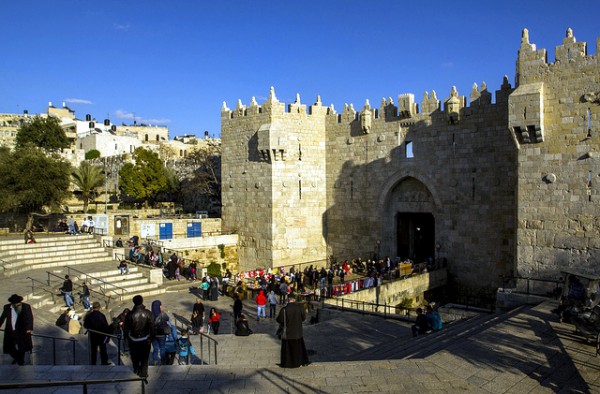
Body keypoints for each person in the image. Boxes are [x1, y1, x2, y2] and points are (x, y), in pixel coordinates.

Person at [124, 295, 154, 378]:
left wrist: (126, 338)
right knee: (145, 357)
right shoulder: (147, 312)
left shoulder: (130, 314)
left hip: (133, 339)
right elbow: (152, 326)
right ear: (142, 301)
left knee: (135, 356)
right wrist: (151, 337)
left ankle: (136, 369)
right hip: (145, 338)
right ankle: (144, 372)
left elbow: (126, 328)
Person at [0, 294, 34, 365]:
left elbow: (29, 317)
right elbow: (2, 317)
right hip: (10, 330)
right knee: (9, 348)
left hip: (21, 330)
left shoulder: (25, 306)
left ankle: (20, 361)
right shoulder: (7, 307)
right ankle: (18, 358)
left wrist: (29, 328)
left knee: (22, 347)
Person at [276, 295, 309, 368]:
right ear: (295, 300)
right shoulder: (300, 308)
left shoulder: (284, 309)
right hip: (298, 332)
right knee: (298, 349)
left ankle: (288, 363)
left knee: (287, 350)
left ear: (288, 300)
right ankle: (298, 362)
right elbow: (303, 318)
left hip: (287, 333)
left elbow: (279, 320)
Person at [151, 300, 169, 365]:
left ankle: (155, 361)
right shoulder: (162, 314)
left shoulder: (150, 314)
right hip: (162, 334)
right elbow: (167, 318)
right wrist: (162, 311)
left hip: (153, 335)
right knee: (162, 347)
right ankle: (163, 361)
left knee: (155, 348)